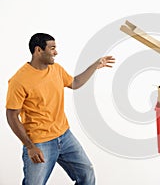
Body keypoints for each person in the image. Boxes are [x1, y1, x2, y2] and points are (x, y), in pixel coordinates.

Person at [6, 33, 115, 185]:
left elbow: (75, 82)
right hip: (40, 142)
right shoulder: (19, 81)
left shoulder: (56, 69)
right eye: (52, 48)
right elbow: (11, 115)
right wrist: (30, 146)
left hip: (64, 136)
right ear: (38, 50)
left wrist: (96, 65)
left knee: (87, 175)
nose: (56, 52)